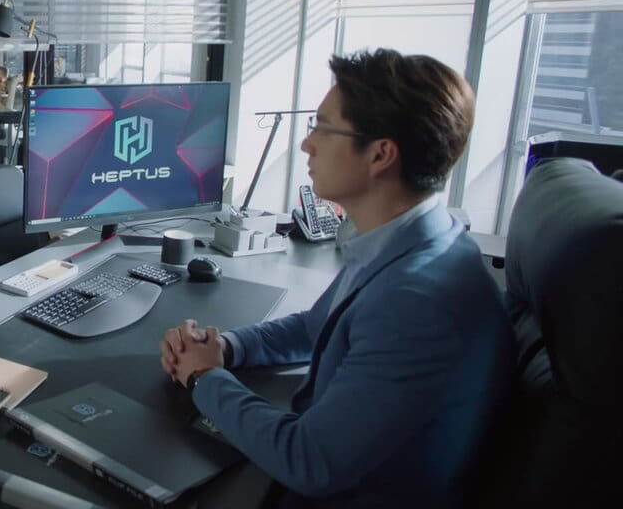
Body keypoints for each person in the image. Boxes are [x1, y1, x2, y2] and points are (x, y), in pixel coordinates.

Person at [160, 49, 514, 509]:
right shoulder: (411, 237)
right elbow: (317, 326)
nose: (307, 145)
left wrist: (204, 376)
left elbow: (310, 461)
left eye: (323, 128)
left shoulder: (417, 301)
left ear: (381, 154)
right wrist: (226, 347)